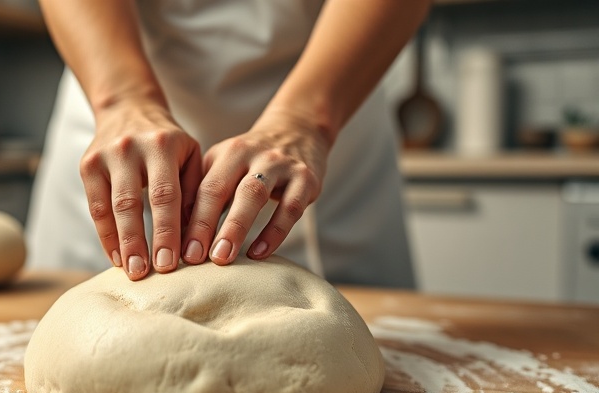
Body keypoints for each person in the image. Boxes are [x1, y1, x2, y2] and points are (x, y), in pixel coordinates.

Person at [27, 0, 430, 287]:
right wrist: (120, 101)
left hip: (333, 94)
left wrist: (305, 121)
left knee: (353, 347)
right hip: (111, 86)